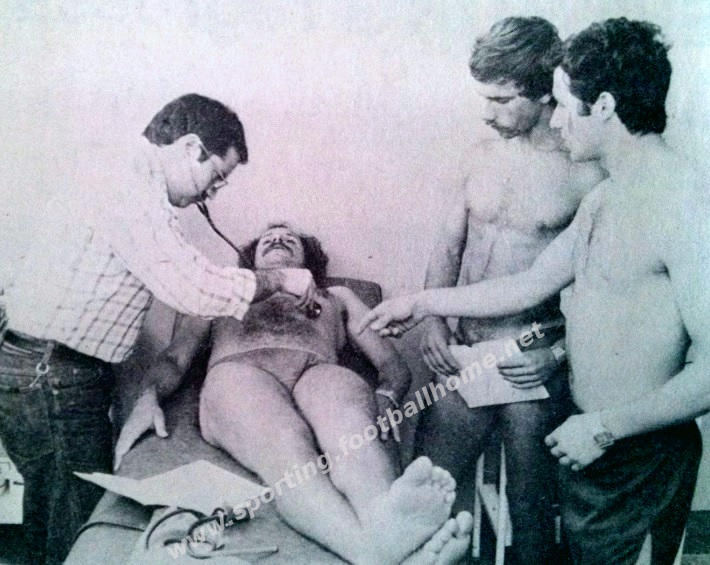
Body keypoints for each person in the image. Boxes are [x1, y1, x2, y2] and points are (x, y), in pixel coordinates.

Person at [360, 18, 708, 565]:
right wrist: (422, 303)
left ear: (605, 107)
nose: (558, 120)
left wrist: (603, 426)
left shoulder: (681, 203)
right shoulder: (608, 199)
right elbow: (529, 284)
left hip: (633, 455)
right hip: (591, 443)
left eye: (565, 105)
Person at [0, 94, 317, 564]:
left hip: (55, 371)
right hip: (51, 375)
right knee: (75, 524)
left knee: (56, 514)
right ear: (191, 148)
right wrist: (281, 280)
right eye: (216, 177)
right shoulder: (128, 188)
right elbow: (196, 289)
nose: (211, 195)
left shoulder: (132, 182)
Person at [116, 223, 474, 565]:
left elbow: (391, 363)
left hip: (317, 371)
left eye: (289, 239)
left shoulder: (337, 296)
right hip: (242, 371)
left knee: (353, 428)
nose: (277, 241)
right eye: (268, 239)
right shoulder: (221, 289)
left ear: (309, 259)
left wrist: (387, 397)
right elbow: (175, 358)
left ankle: (388, 526)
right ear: (250, 259)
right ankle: (373, 552)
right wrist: (148, 396)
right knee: (286, 443)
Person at [413, 16, 605, 563]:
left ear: (544, 93)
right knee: (426, 488)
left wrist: (556, 355)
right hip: (465, 349)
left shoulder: (584, 173)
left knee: (530, 506)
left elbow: (598, 293)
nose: (487, 112)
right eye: (485, 98)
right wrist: (433, 323)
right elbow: (447, 247)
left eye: (501, 99)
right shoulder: (476, 155)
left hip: (531, 357)